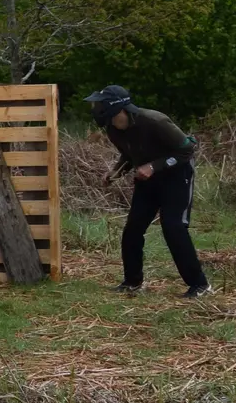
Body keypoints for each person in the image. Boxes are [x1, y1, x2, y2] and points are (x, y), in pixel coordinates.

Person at [85, 85, 210, 299]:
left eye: (100, 103)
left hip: (177, 176)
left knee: (173, 227)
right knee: (133, 228)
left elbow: (187, 149)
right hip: (147, 181)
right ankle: (132, 282)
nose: (96, 108)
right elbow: (129, 155)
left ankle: (200, 285)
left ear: (115, 107)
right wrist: (115, 172)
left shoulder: (155, 121)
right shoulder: (113, 130)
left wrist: (154, 166)